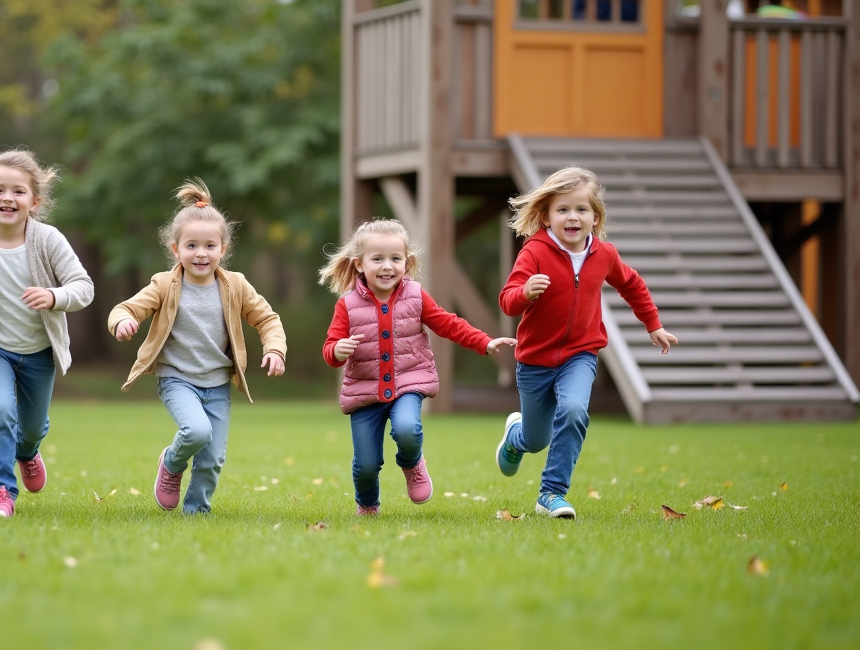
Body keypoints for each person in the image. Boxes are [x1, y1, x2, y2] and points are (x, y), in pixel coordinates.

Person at [495, 166, 678, 519]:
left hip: (581, 354)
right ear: (547, 217)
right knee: (536, 440)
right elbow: (507, 300)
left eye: (581, 209)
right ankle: (516, 437)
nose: (572, 217)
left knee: (575, 410)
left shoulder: (604, 255)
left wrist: (652, 325)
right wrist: (525, 292)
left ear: (596, 217)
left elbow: (632, 284)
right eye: (562, 210)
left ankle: (551, 493)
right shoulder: (534, 252)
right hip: (534, 360)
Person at [108, 179, 286, 514]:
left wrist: (275, 349)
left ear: (223, 249)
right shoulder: (164, 284)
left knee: (212, 458)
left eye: (209, 246)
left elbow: (268, 319)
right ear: (176, 249)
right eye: (191, 246)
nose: (200, 253)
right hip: (177, 378)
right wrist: (122, 322)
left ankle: (196, 513)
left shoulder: (236, 285)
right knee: (197, 431)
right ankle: (172, 464)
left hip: (217, 383)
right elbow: (125, 309)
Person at [319, 219, 516, 516]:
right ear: (359, 264)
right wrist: (337, 350)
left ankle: (412, 462)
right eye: (378, 259)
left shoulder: (415, 296)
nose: (388, 266)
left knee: (408, 428)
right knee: (366, 465)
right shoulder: (347, 305)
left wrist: (483, 342)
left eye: (395, 259)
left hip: (408, 382)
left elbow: (448, 323)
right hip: (364, 391)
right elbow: (330, 349)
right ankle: (368, 504)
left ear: (407, 262)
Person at [0, 149, 95, 518]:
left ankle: (27, 452)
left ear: (35, 201)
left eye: (18, 191)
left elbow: (83, 286)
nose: (8, 198)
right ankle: (1, 493)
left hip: (39, 351)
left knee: (31, 428)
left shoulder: (48, 241)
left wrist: (54, 296)